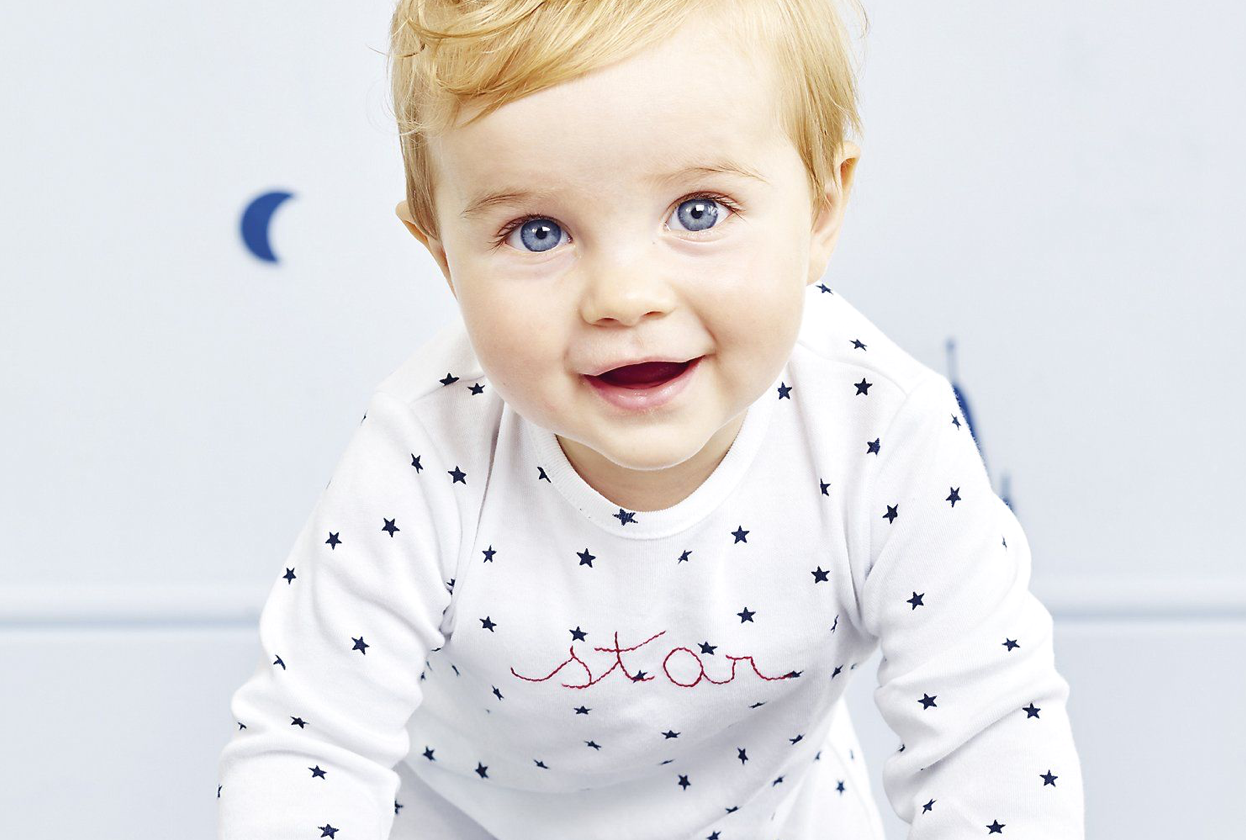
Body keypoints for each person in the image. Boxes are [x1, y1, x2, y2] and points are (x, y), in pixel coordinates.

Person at [216, 1, 1085, 837]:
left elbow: (989, 735)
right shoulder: (423, 452)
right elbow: (309, 746)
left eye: (698, 212)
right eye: (537, 232)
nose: (625, 296)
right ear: (445, 256)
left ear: (821, 209)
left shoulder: (882, 432)